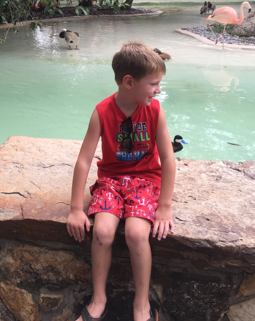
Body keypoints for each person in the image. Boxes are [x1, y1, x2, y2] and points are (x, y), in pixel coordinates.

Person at [66, 42, 176, 321]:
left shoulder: (155, 111)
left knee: (137, 234)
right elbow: (84, 160)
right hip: (111, 182)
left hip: (145, 181)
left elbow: (168, 159)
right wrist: (76, 209)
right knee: (102, 232)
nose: (158, 90)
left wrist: (164, 206)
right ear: (129, 82)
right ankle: (99, 300)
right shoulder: (102, 112)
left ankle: (142, 304)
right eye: (153, 84)